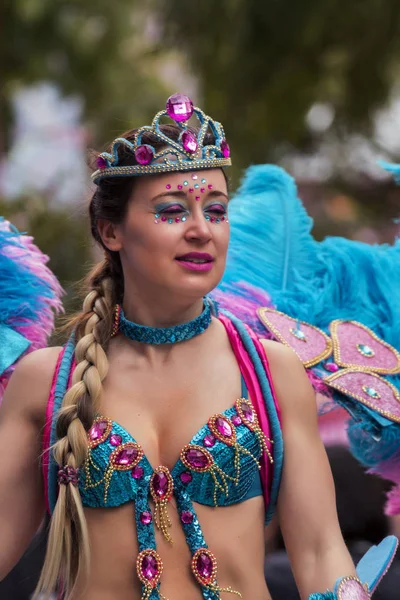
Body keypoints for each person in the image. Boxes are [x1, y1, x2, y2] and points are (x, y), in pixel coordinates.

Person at [0, 94, 395, 600]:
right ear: (111, 231)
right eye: (171, 211)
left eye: (215, 210)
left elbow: (319, 550)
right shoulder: (47, 380)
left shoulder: (272, 373)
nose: (201, 230)